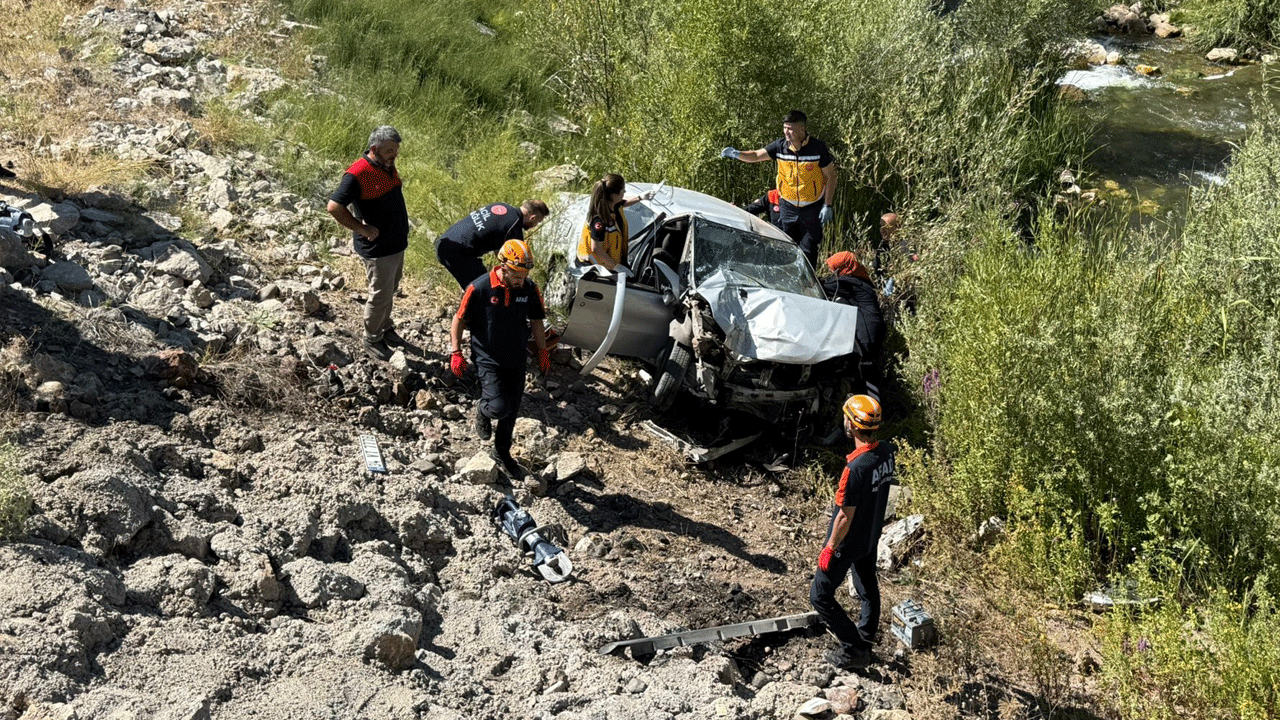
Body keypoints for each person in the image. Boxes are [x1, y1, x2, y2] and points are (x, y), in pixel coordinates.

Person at [449, 239, 550, 479]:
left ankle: (502, 452)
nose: (520, 278)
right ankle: (482, 411)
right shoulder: (480, 287)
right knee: (497, 407)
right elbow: (459, 319)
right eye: (516, 272)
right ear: (502, 265)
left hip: (516, 358)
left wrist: (543, 351)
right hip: (488, 357)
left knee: (512, 411)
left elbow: (536, 321)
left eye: (524, 273)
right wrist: (456, 351)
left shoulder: (529, 289)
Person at [810, 394, 896, 670]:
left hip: (847, 542)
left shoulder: (854, 469)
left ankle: (854, 648)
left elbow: (845, 515)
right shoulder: (886, 452)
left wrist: (830, 547)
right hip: (871, 535)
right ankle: (867, 636)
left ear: (852, 425)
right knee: (867, 583)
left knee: (820, 595)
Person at [327, 126, 410, 362]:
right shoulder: (357, 173)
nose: (394, 154)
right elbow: (334, 206)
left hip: (395, 245)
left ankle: (385, 327)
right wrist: (361, 228)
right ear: (374, 149)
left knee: (390, 288)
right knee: (380, 295)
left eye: (396, 150)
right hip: (378, 249)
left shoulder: (385, 164)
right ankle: (372, 338)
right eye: (389, 150)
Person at [721, 110, 837, 267]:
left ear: (802, 129)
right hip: (787, 206)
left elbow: (831, 176)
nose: (786, 132)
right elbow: (756, 155)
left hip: (812, 208)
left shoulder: (817, 149)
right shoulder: (779, 147)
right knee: (785, 247)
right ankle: (786, 281)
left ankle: (807, 286)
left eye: (790, 128)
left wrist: (827, 205)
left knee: (809, 249)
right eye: (785, 128)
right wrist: (737, 154)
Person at [436, 199, 550, 289]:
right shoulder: (514, 228)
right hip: (458, 251)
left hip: (446, 242)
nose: (534, 225)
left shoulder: (502, 206)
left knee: (477, 285)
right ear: (532, 217)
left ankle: (469, 313)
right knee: (483, 288)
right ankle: (471, 317)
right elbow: (517, 264)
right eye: (537, 222)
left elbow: (500, 252)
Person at [822, 251, 885, 399]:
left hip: (867, 334)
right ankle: (867, 408)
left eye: (834, 269)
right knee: (864, 372)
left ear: (843, 267)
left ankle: (873, 410)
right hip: (873, 330)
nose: (833, 273)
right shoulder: (859, 280)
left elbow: (821, 285)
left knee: (867, 371)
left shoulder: (850, 282)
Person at [575, 173, 655, 272]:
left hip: (608, 265)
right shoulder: (599, 220)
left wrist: (640, 197)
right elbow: (597, 249)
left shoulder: (613, 205)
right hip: (594, 269)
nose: (625, 192)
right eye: (622, 190)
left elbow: (624, 203)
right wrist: (616, 267)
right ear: (614, 195)